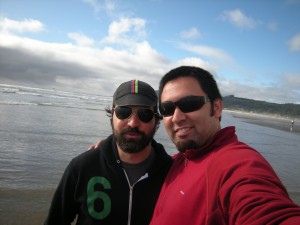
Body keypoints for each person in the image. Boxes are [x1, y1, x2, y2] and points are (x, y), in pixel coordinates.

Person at [148, 66, 300, 225]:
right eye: (167, 109)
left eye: (190, 103)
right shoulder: (180, 159)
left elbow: (267, 211)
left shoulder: (236, 163)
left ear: (217, 108)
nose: (176, 118)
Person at [44, 80, 172, 225]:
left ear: (156, 120)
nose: (133, 123)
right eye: (124, 112)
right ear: (112, 116)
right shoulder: (83, 167)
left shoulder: (172, 173)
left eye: (145, 114)